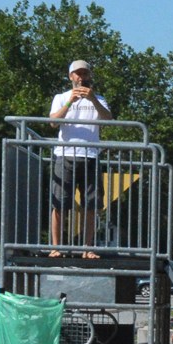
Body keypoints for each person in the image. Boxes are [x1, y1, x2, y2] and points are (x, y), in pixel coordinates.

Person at [48, 59, 113, 254]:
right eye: (78, 73)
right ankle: (56, 248)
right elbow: (53, 122)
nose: (81, 77)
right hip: (64, 155)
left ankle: (88, 248)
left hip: (91, 156)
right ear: (71, 77)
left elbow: (108, 119)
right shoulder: (61, 97)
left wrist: (92, 99)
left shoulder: (99, 98)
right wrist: (70, 102)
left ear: (89, 76)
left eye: (85, 73)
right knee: (59, 204)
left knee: (91, 205)